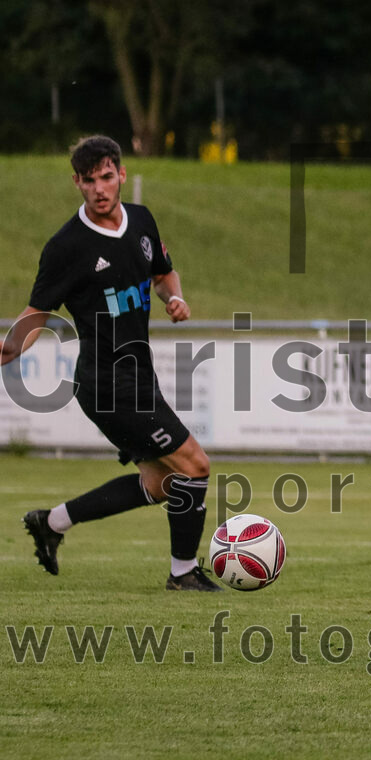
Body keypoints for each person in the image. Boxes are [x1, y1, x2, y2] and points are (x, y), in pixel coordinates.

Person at [1, 135, 221, 591]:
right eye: (89, 181)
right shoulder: (66, 247)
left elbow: (162, 274)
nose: (100, 188)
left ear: (121, 174)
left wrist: (174, 297)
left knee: (161, 483)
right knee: (195, 465)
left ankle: (53, 522)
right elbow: (33, 319)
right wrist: (5, 353)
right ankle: (183, 575)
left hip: (139, 377)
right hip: (106, 384)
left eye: (106, 176)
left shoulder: (141, 220)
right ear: (77, 183)